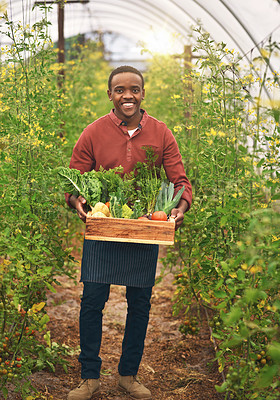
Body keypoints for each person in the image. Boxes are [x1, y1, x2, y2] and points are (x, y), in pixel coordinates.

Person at [66, 65, 192, 400]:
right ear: (110, 94)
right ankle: (89, 377)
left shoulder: (162, 133)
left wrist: (180, 207)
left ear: (143, 94)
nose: (128, 96)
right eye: (120, 90)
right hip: (104, 227)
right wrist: (76, 200)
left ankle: (128, 375)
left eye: (134, 89)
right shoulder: (93, 132)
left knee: (140, 303)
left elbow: (180, 180)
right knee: (92, 301)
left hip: (142, 229)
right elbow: (74, 177)